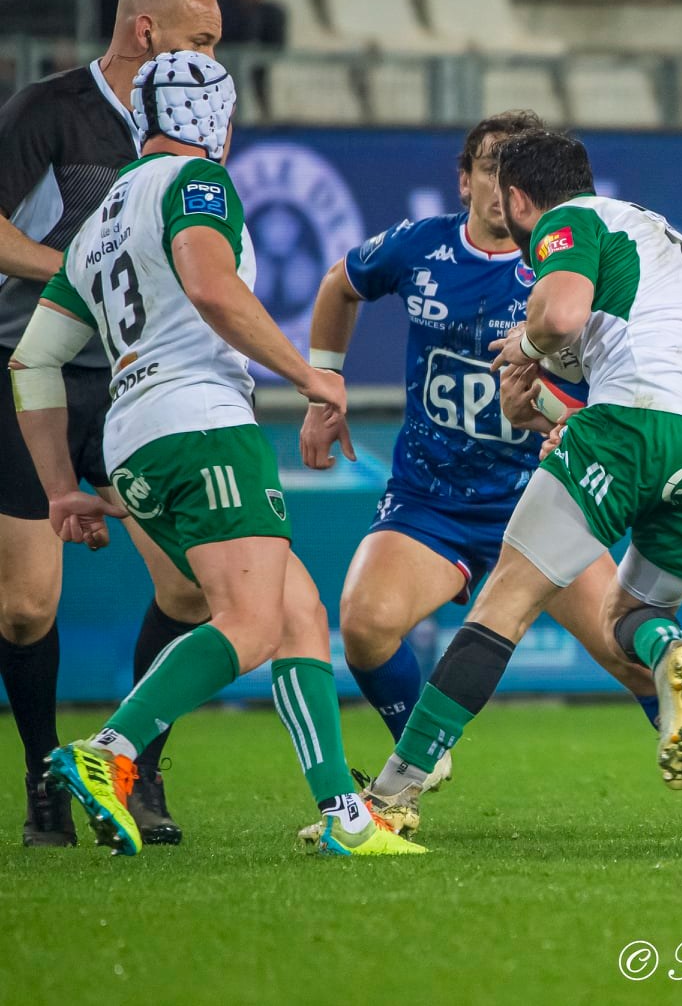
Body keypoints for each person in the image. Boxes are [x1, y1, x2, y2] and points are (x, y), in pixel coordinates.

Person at [296, 112, 682, 835]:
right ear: (466, 178)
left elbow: (566, 335)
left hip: (566, 472)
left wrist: (529, 350)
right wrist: (328, 385)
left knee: (504, 612)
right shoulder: (636, 232)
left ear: (522, 194)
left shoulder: (563, 242)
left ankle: (388, 800)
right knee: (633, 624)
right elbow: (343, 283)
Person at [9, 51, 422, 857]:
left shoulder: (98, 223)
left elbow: (32, 360)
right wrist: (308, 376)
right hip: (199, 421)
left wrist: (61, 489)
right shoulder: (198, 186)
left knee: (298, 612)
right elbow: (210, 285)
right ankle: (110, 752)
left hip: (135, 434)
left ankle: (343, 814)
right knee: (252, 621)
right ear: (213, 121)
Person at [0, 0, 220, 848]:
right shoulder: (47, 111)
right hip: (35, 374)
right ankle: (43, 774)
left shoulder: (194, 132)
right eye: (200, 40)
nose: (214, 58)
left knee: (192, 590)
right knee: (23, 608)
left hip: (141, 377)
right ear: (146, 33)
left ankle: (135, 767)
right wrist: (85, 274)